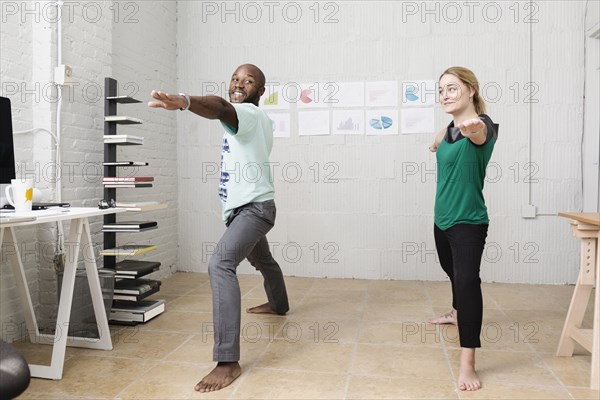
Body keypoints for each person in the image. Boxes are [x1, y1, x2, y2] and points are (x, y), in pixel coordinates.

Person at [149, 64, 290, 392]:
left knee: (220, 263)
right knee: (262, 260)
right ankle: (279, 304)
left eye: (249, 81)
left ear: (260, 92)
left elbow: (220, 107)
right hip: (248, 208)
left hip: (254, 210)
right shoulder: (253, 121)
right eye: (236, 79)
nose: (240, 84)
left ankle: (227, 361)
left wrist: (184, 101)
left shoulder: (248, 114)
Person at [427, 66, 498, 391]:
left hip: (469, 220)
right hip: (441, 218)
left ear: (471, 90)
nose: (445, 95)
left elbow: (478, 133)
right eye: (441, 90)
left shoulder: (482, 126)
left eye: (452, 88)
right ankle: (456, 312)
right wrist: (440, 138)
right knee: (451, 270)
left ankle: (467, 363)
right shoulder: (448, 130)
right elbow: (446, 140)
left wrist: (473, 128)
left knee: (468, 282)